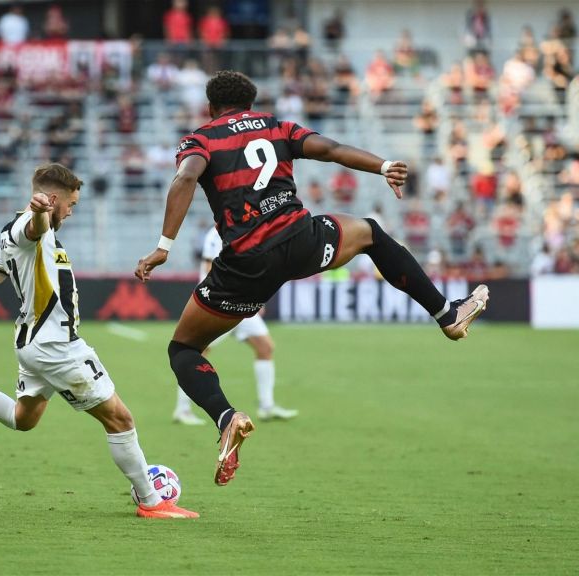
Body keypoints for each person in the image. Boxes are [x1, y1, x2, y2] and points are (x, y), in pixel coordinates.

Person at [134, 70, 489, 487]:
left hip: (246, 264)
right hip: (301, 240)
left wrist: (164, 245)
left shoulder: (202, 138)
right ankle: (446, 313)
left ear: (210, 107)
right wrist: (384, 165)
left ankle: (227, 417)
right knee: (371, 233)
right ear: (251, 101)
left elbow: (186, 177)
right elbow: (331, 149)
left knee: (184, 349)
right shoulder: (275, 125)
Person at [0, 163, 198, 520]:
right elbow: (35, 226)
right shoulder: (30, 227)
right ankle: (151, 502)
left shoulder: (12, 235)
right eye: (70, 204)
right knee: (120, 419)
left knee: (22, 418)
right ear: (53, 199)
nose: (71, 212)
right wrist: (39, 213)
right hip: (56, 347)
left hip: (33, 344)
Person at [172, 225, 298, 426]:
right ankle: (182, 409)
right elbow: (208, 268)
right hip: (219, 304)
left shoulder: (245, 231)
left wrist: (255, 296)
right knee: (197, 353)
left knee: (265, 347)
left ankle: (266, 406)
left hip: (242, 304)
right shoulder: (216, 235)